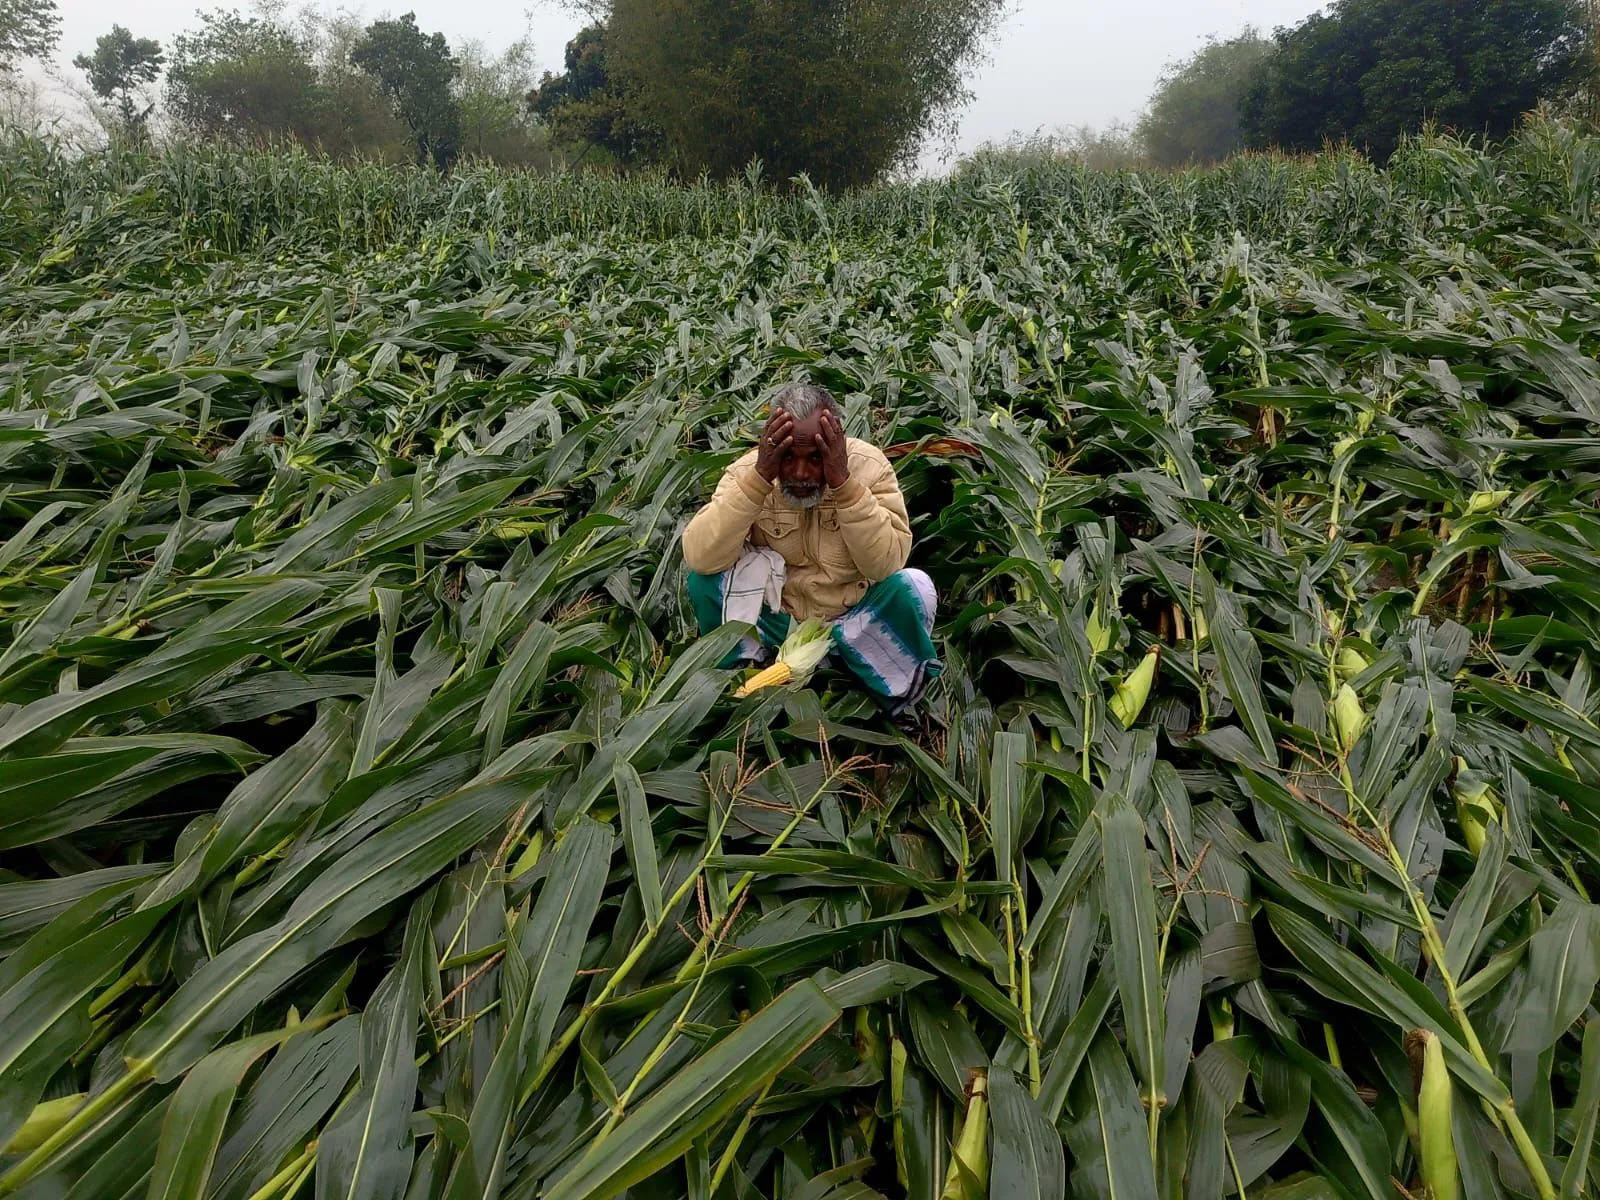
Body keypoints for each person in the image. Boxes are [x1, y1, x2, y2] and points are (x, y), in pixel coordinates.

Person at [682, 382, 941, 718]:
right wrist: (760, 477)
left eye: (815, 458)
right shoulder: (750, 471)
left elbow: (885, 565)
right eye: (788, 457)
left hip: (853, 620)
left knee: (915, 587)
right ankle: (745, 672)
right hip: (782, 622)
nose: (801, 473)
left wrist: (843, 484)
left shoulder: (869, 469)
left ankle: (884, 689)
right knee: (703, 583)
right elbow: (701, 556)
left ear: (836, 445)